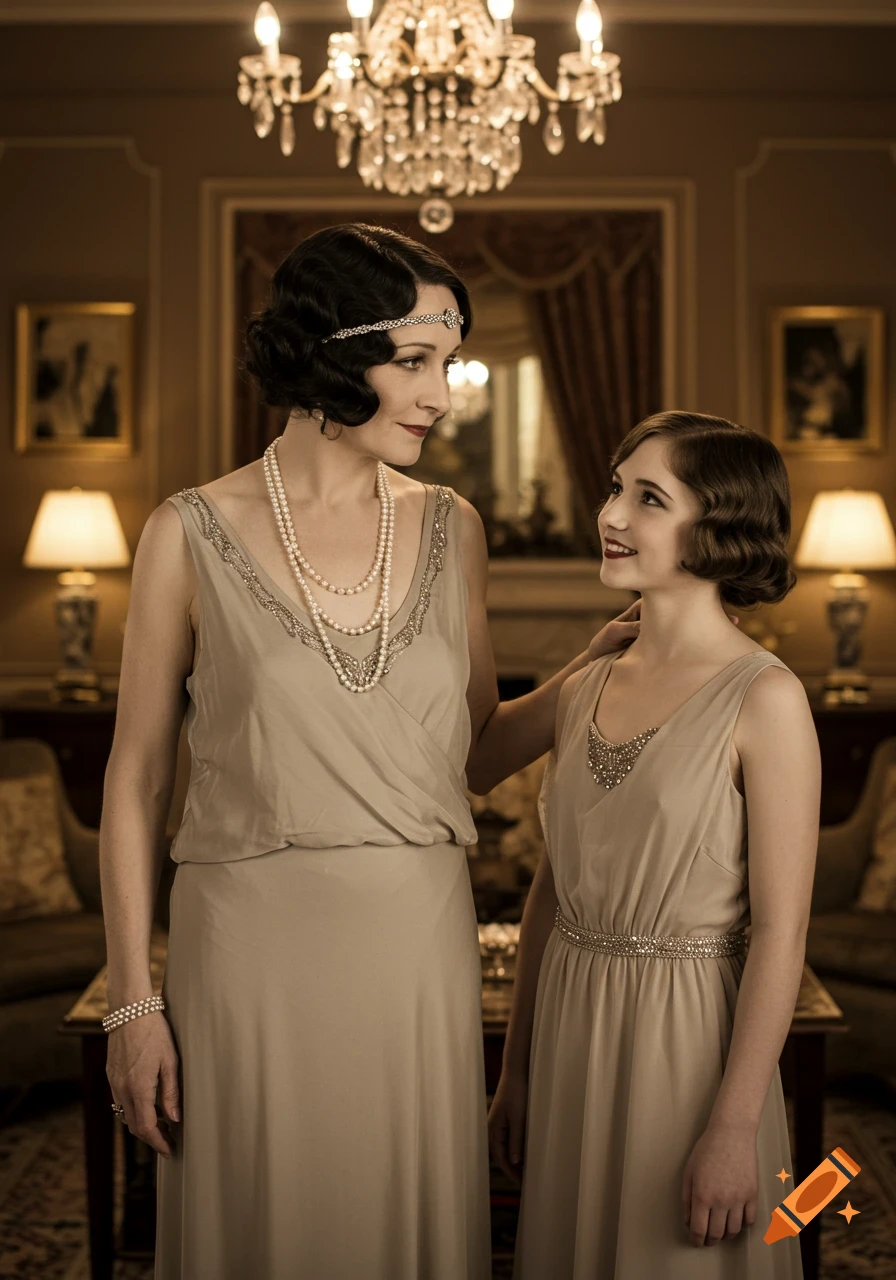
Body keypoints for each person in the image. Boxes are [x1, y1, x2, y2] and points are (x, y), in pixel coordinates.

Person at [98, 222, 641, 1280]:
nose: (443, 393)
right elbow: (135, 779)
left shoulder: (454, 526)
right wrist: (132, 1000)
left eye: (446, 363)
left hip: (410, 943)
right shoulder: (187, 530)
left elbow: (474, 754)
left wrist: (584, 671)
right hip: (247, 943)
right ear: (332, 353)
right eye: (415, 362)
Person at [489, 411, 819, 1280]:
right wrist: (515, 1071)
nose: (612, 514)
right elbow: (552, 893)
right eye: (613, 487)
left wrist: (736, 1126)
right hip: (569, 1028)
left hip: (691, 1045)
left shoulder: (768, 698)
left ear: (715, 529)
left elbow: (784, 933)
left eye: (648, 498)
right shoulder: (585, 681)